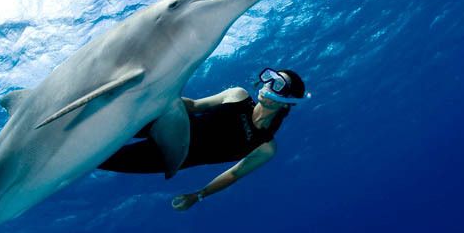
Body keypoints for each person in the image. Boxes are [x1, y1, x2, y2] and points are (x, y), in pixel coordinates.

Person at [98, 68, 309, 210]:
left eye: (277, 84)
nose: (267, 85)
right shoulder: (238, 95)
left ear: (287, 101)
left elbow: (234, 174)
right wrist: (157, 96)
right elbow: (194, 106)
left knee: (102, 159)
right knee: (107, 122)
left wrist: (199, 195)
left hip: (169, 157)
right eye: (269, 78)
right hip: (169, 122)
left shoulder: (266, 147)